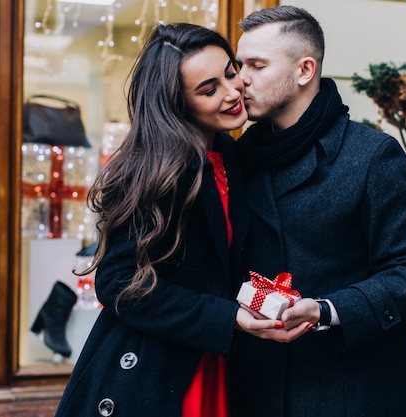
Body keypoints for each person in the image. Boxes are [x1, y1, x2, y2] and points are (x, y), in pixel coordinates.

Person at [54, 23, 284, 417]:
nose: (232, 92)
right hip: (155, 369)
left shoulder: (229, 155)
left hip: (216, 356)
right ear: (178, 103)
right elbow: (117, 283)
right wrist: (227, 317)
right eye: (209, 89)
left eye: (231, 72)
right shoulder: (154, 170)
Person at [229, 5, 406, 417]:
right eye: (240, 65)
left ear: (305, 70)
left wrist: (327, 310)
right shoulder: (239, 158)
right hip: (255, 388)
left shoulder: (373, 157)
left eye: (256, 65)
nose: (241, 80)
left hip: (349, 392)